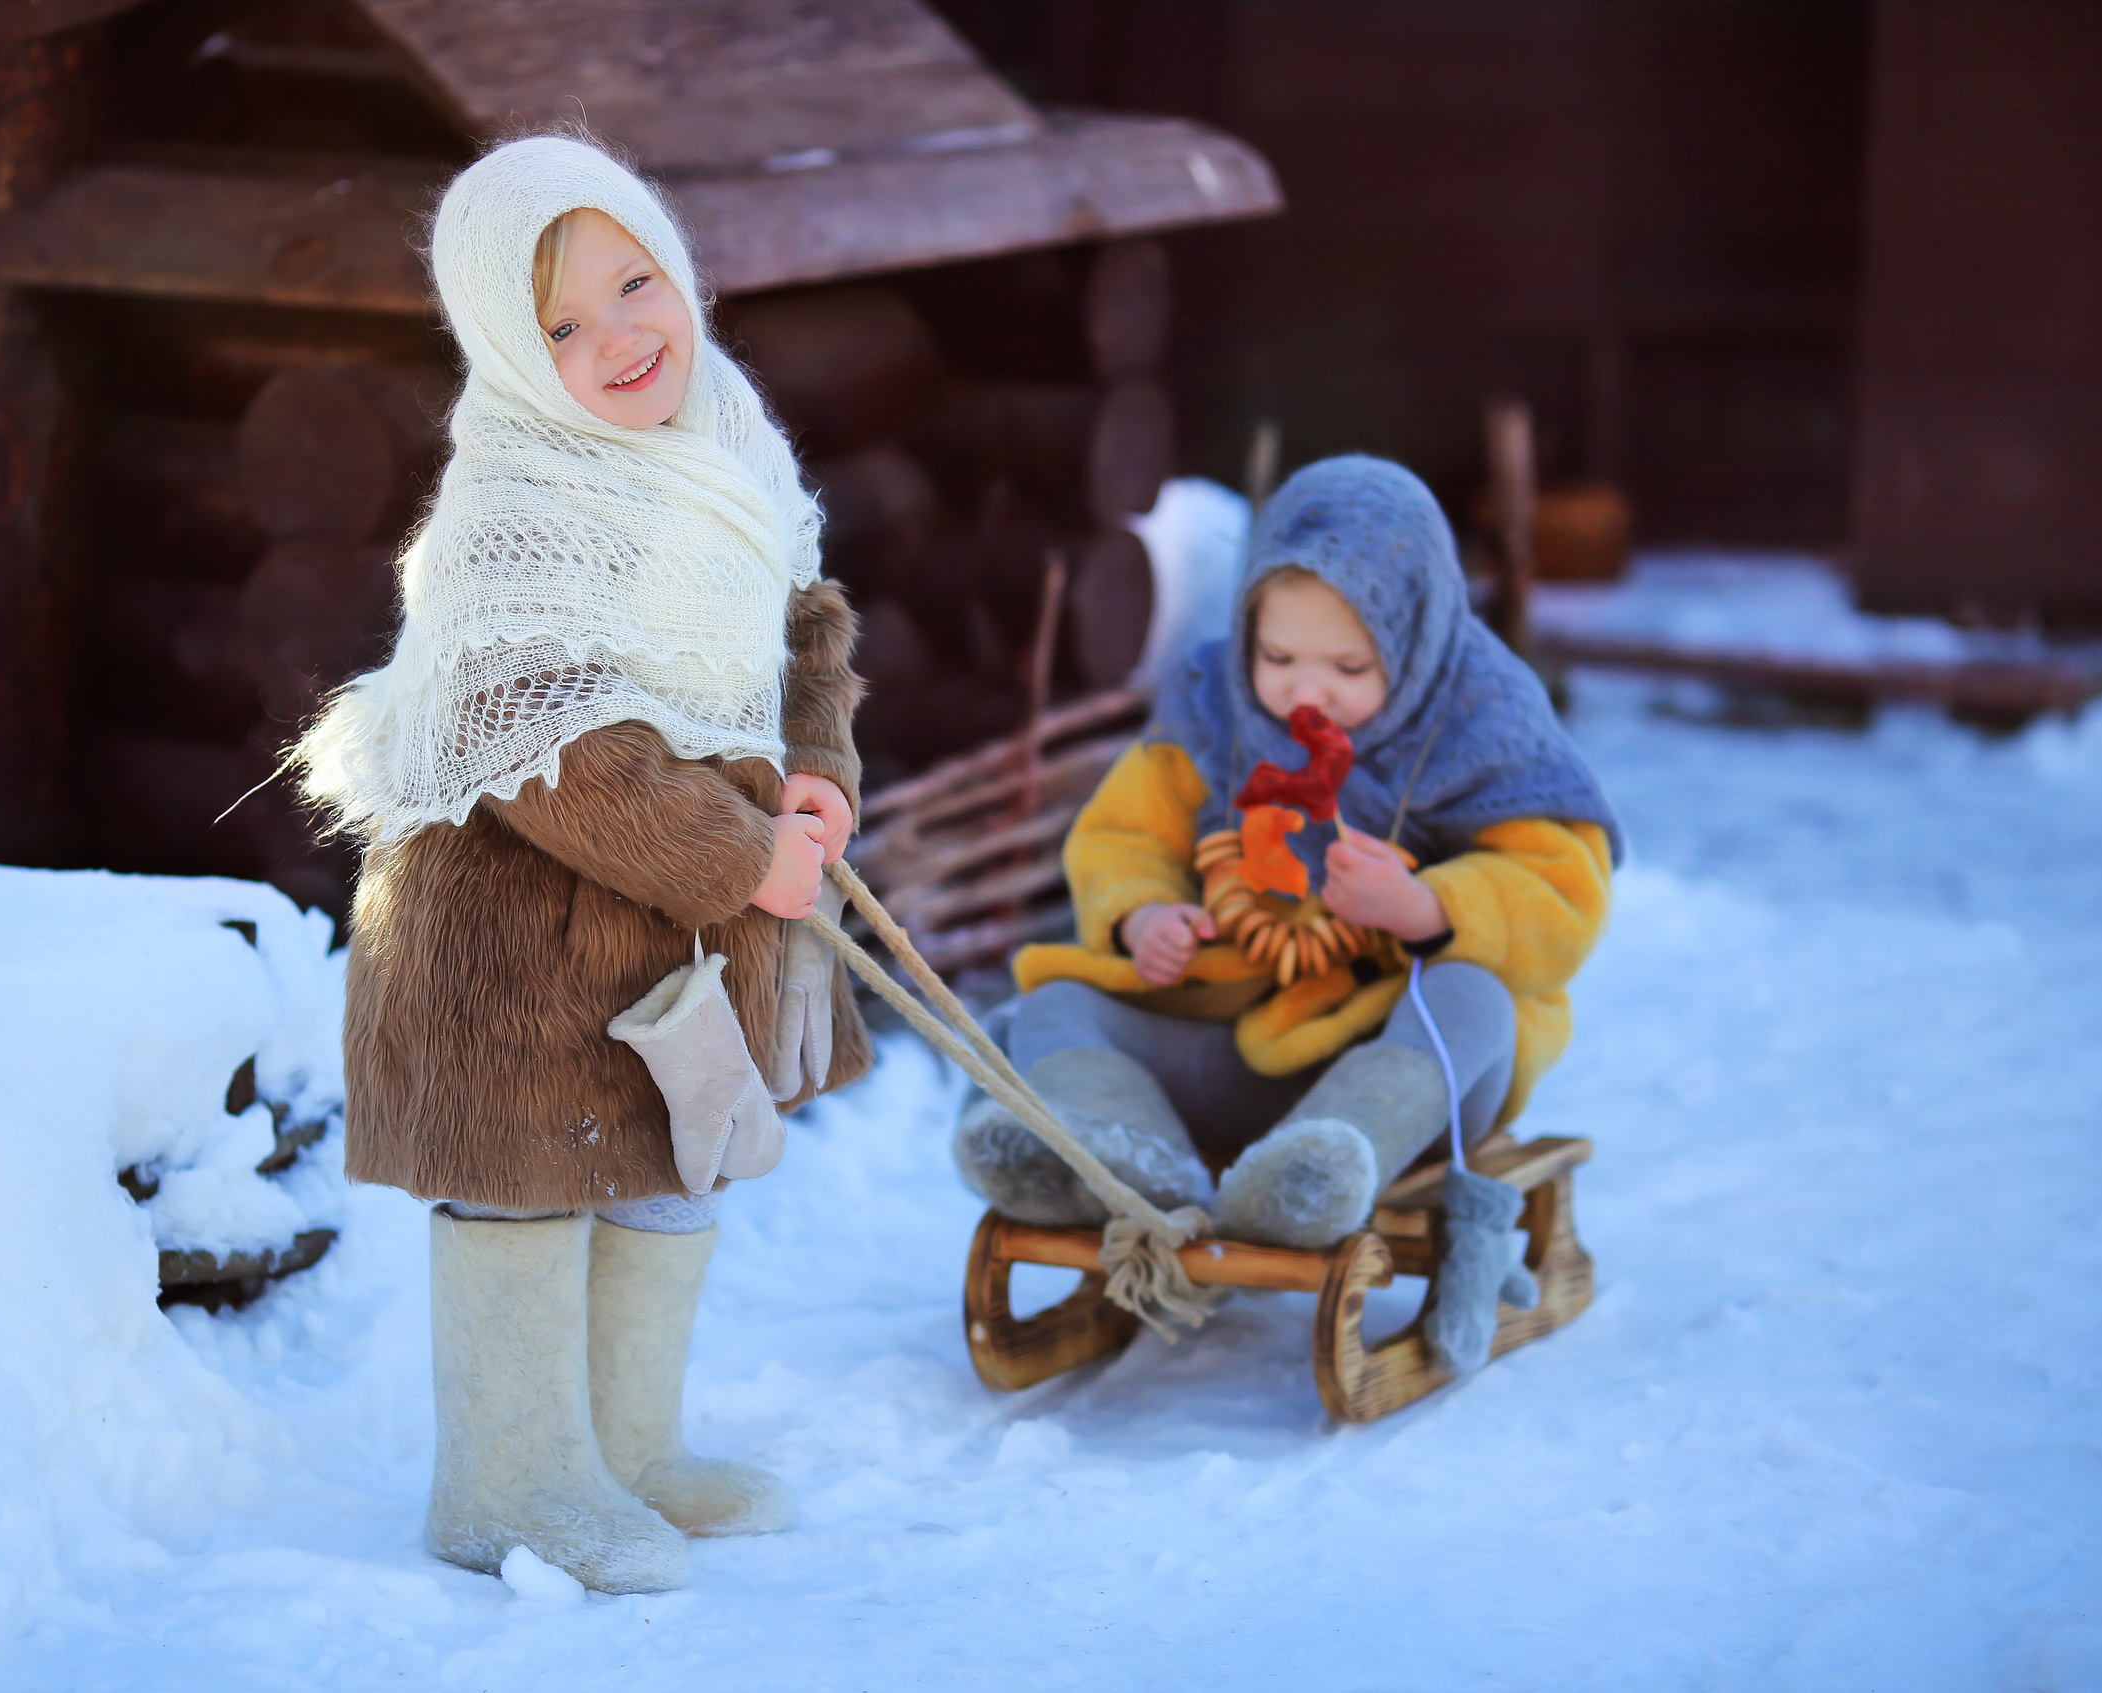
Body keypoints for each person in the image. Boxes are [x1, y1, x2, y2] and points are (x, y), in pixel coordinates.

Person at [295, 135, 868, 1595]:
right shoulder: (513, 514)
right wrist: (748, 860)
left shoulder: (728, 447)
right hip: (521, 932)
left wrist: (816, 769)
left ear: (680, 271)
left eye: (635, 282)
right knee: (536, 1177)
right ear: (506, 340)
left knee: (668, 1168)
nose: (618, 336)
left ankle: (628, 1448)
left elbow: (800, 629)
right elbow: (565, 753)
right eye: (559, 322)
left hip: (686, 920)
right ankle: (507, 1478)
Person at [954, 455, 1620, 1372]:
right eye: (1277, 657)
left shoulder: (1479, 714)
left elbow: (1565, 889)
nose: (1308, 691)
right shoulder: (1211, 701)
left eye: (1349, 664)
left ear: (1417, 639)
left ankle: (1325, 1165)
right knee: (1052, 1005)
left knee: (1478, 997)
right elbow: (1122, 835)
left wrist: (1427, 903)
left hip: (1394, 1062)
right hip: (1230, 1036)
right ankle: (1130, 1160)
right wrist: (1142, 914)